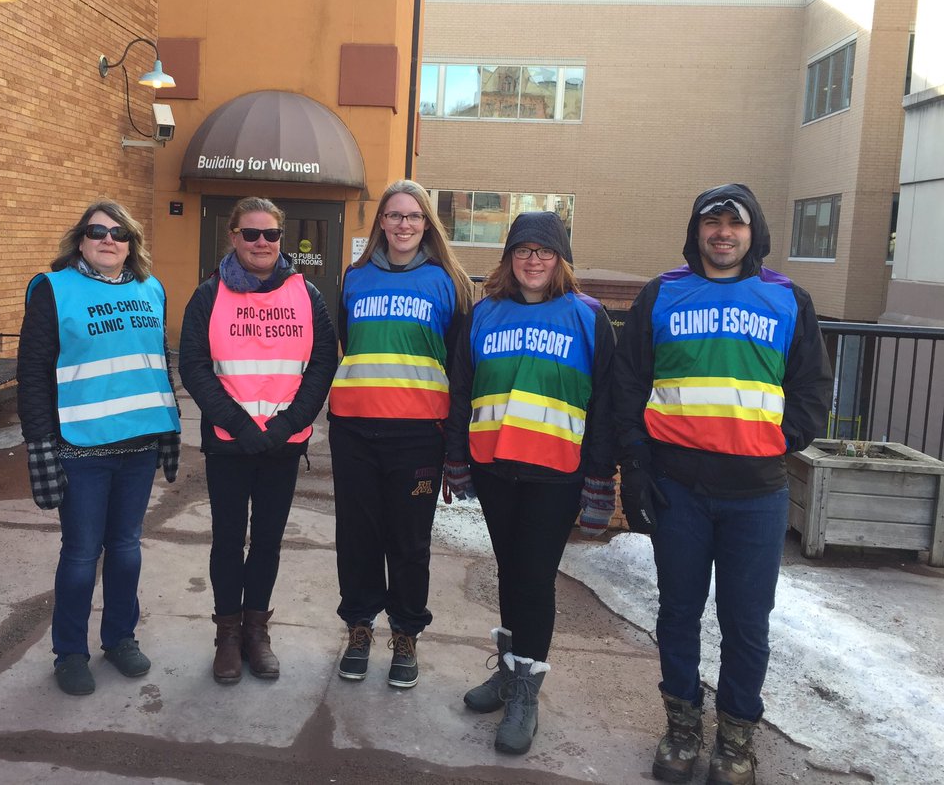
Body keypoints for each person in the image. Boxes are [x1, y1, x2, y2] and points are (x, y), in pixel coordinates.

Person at [614, 183, 831, 784]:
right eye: (712, 223)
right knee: (678, 613)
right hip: (677, 487)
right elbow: (628, 384)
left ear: (752, 231)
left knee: (745, 621)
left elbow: (813, 389)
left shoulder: (787, 299)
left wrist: (778, 440)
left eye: (734, 224)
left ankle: (736, 740)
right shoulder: (662, 295)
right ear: (697, 231)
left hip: (757, 493)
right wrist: (635, 464)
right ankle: (682, 728)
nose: (723, 234)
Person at [443, 211, 617, 755]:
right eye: (523, 250)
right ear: (508, 258)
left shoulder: (588, 317)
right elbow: (462, 388)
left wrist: (599, 479)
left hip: (555, 473)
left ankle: (525, 693)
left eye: (544, 251)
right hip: (496, 469)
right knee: (511, 571)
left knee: (535, 579)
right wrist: (457, 459)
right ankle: (510, 673)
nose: (533, 260)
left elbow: (607, 403)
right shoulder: (485, 314)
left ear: (560, 259)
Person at [17, 200, 181, 697]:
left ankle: (120, 638)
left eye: (120, 233)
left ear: (132, 243)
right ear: (80, 239)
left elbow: (157, 364)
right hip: (80, 448)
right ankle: (69, 652)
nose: (109, 239)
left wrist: (169, 429)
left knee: (127, 549)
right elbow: (33, 374)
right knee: (82, 554)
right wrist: (39, 444)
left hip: (138, 445)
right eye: (97, 231)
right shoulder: (53, 289)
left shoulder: (152, 289)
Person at [179, 197, 336, 684]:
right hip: (231, 443)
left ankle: (256, 631)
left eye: (270, 235)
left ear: (280, 240)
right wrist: (241, 425)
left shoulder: (306, 294)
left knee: (267, 542)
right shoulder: (208, 295)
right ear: (233, 237)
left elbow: (323, 362)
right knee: (228, 541)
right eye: (251, 234)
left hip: (281, 445)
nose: (261, 243)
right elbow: (195, 368)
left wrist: (287, 426)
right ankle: (226, 635)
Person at [328, 179, 472, 688]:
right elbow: (348, 343)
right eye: (394, 216)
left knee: (409, 543)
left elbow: (459, 368)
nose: (404, 225)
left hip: (417, 436)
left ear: (427, 223)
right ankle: (360, 627)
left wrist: (457, 446)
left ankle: (406, 634)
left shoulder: (447, 283)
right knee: (357, 536)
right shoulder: (355, 277)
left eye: (413, 216)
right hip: (354, 432)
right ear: (381, 223)